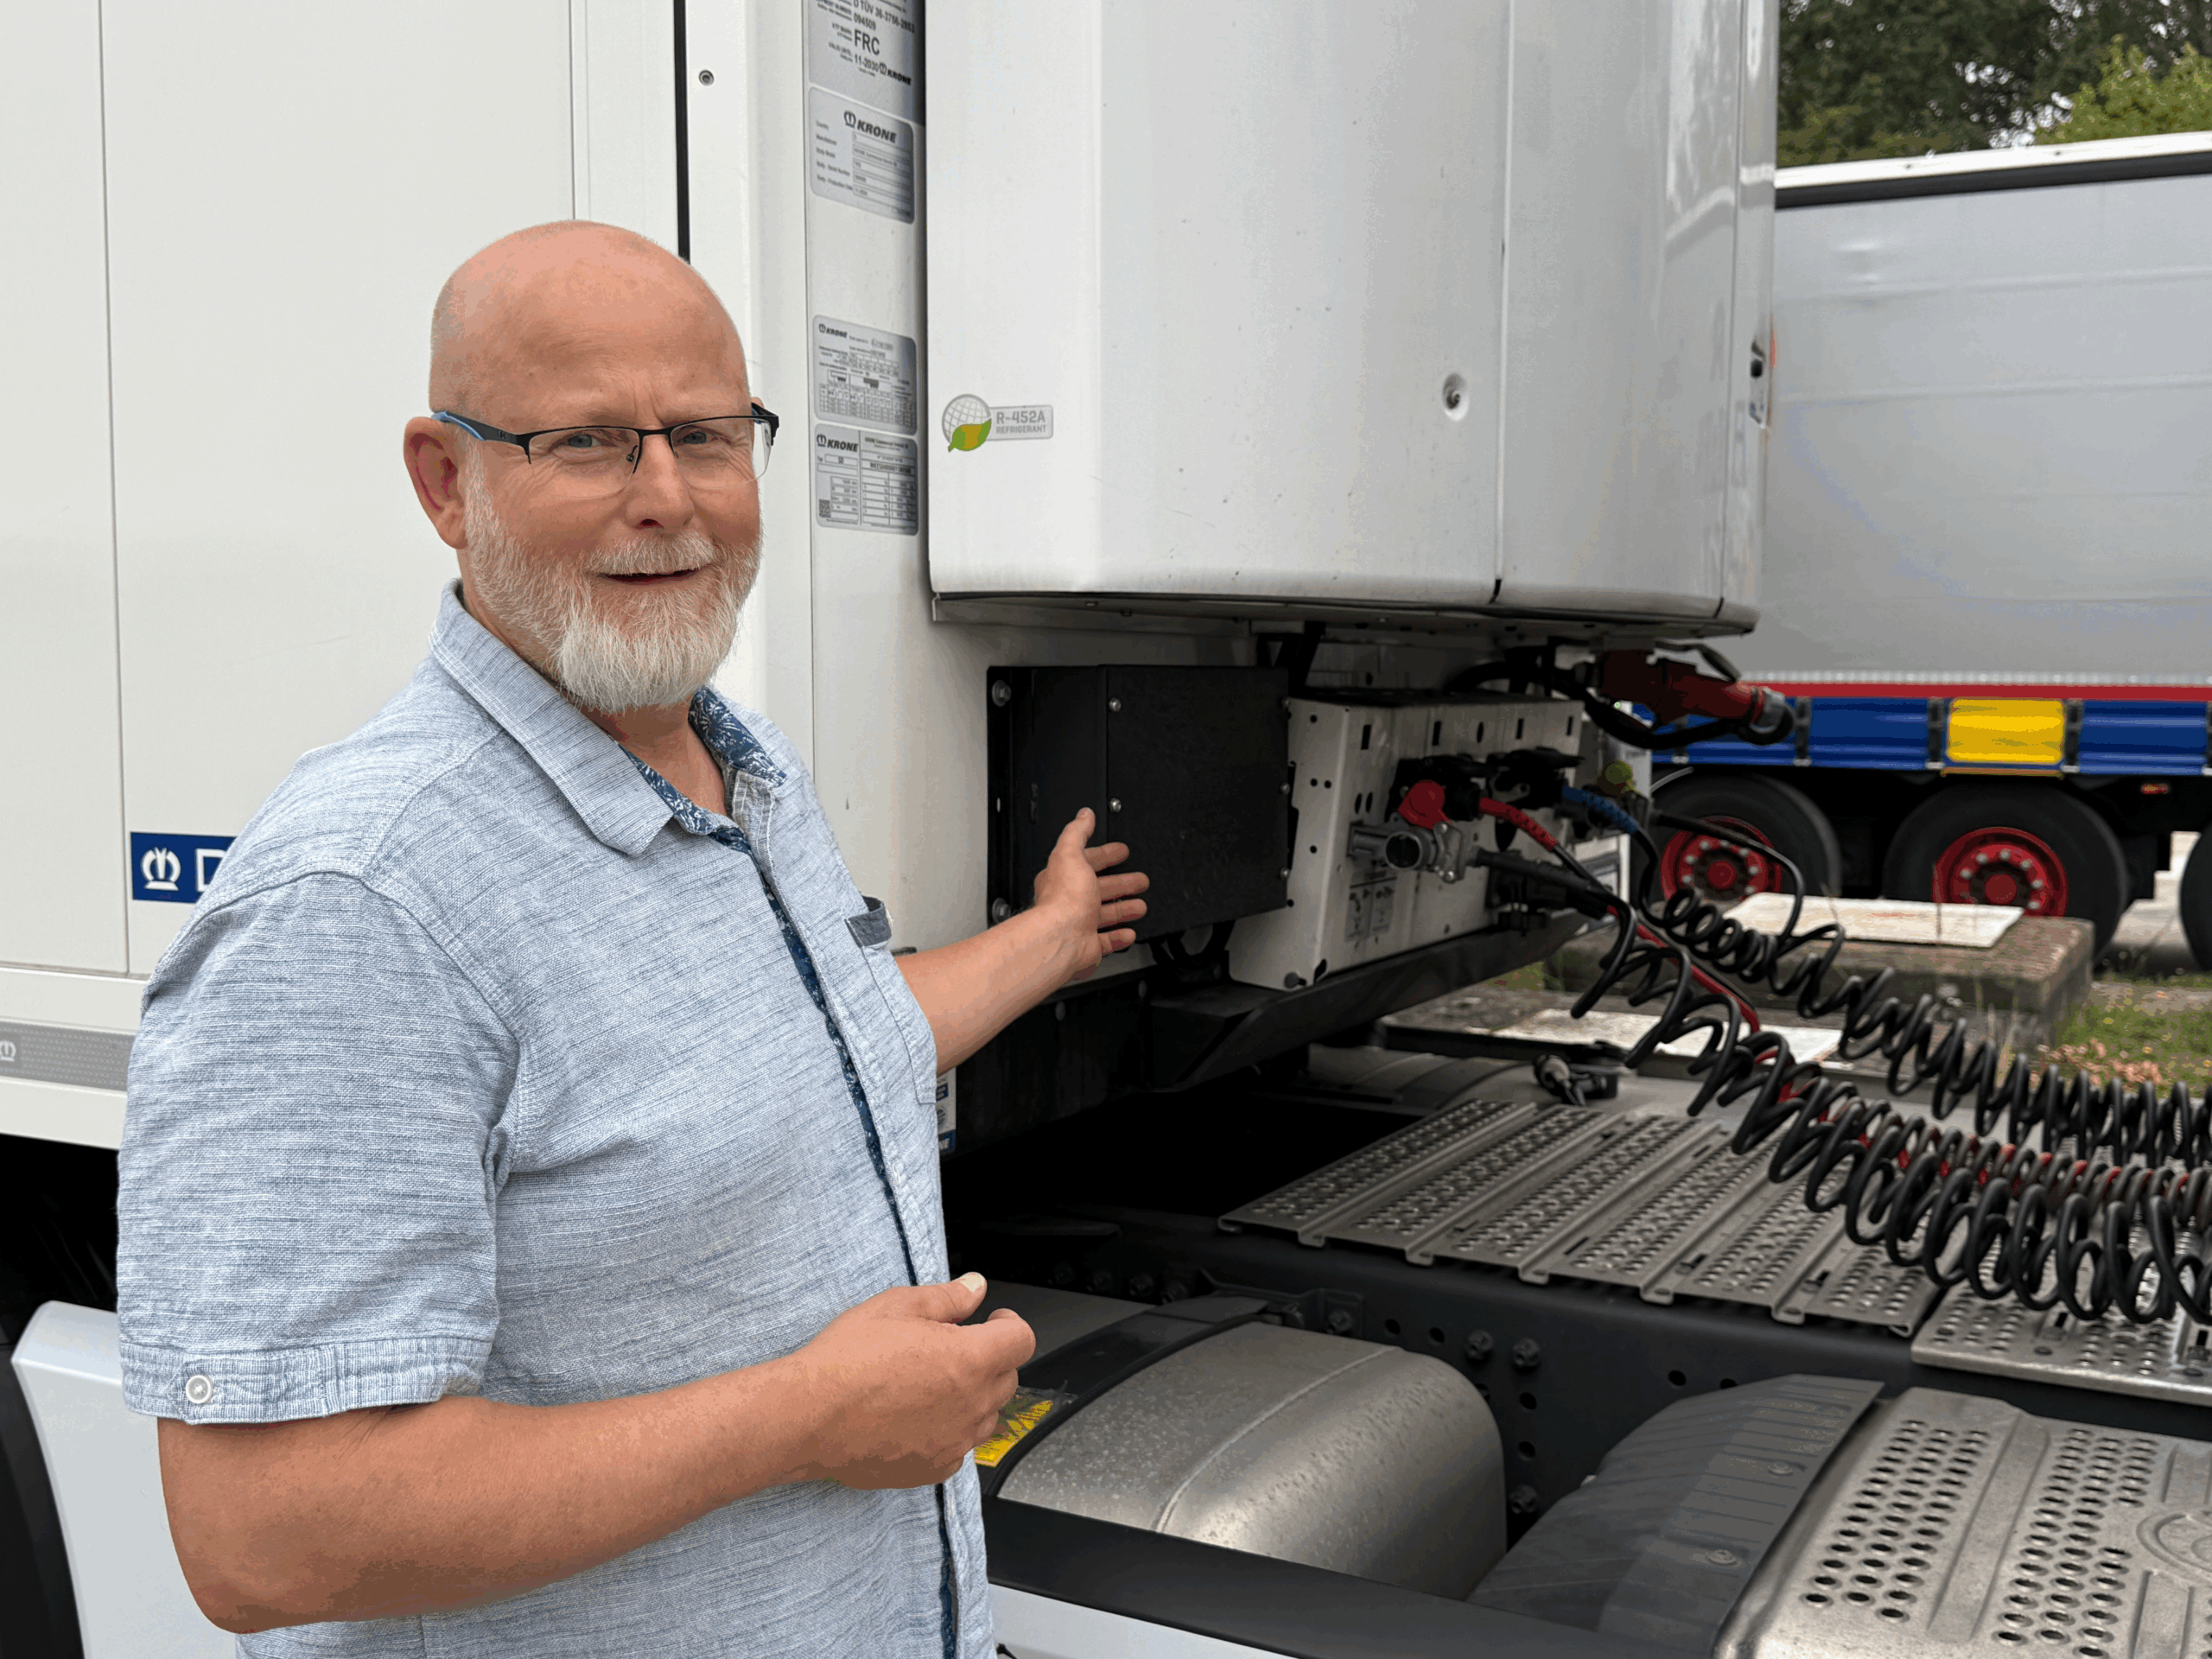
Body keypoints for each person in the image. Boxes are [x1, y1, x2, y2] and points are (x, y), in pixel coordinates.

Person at [115, 220, 1149, 1657]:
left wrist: (1047, 940)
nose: (670, 498)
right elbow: (266, 1534)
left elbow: (826, 1045)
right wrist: (813, 1415)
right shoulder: (359, 900)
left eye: (708, 437)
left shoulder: (743, 776)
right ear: (444, 481)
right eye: (589, 443)